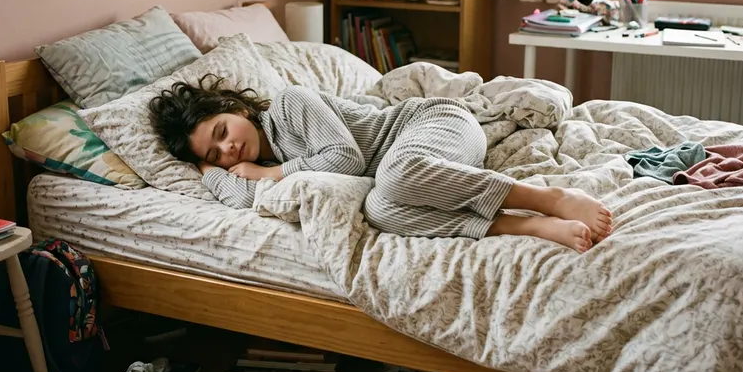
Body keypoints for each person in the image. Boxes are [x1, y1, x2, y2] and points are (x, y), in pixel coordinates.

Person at [149, 77, 612, 253]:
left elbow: (345, 159)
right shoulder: (244, 166)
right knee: (380, 211)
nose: (228, 150)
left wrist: (271, 174)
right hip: (403, 178)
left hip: (434, 124)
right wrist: (210, 175)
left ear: (237, 108)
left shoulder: (291, 106)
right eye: (214, 154)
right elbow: (245, 196)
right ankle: (525, 226)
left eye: (222, 133)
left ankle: (549, 198)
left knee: (391, 175)